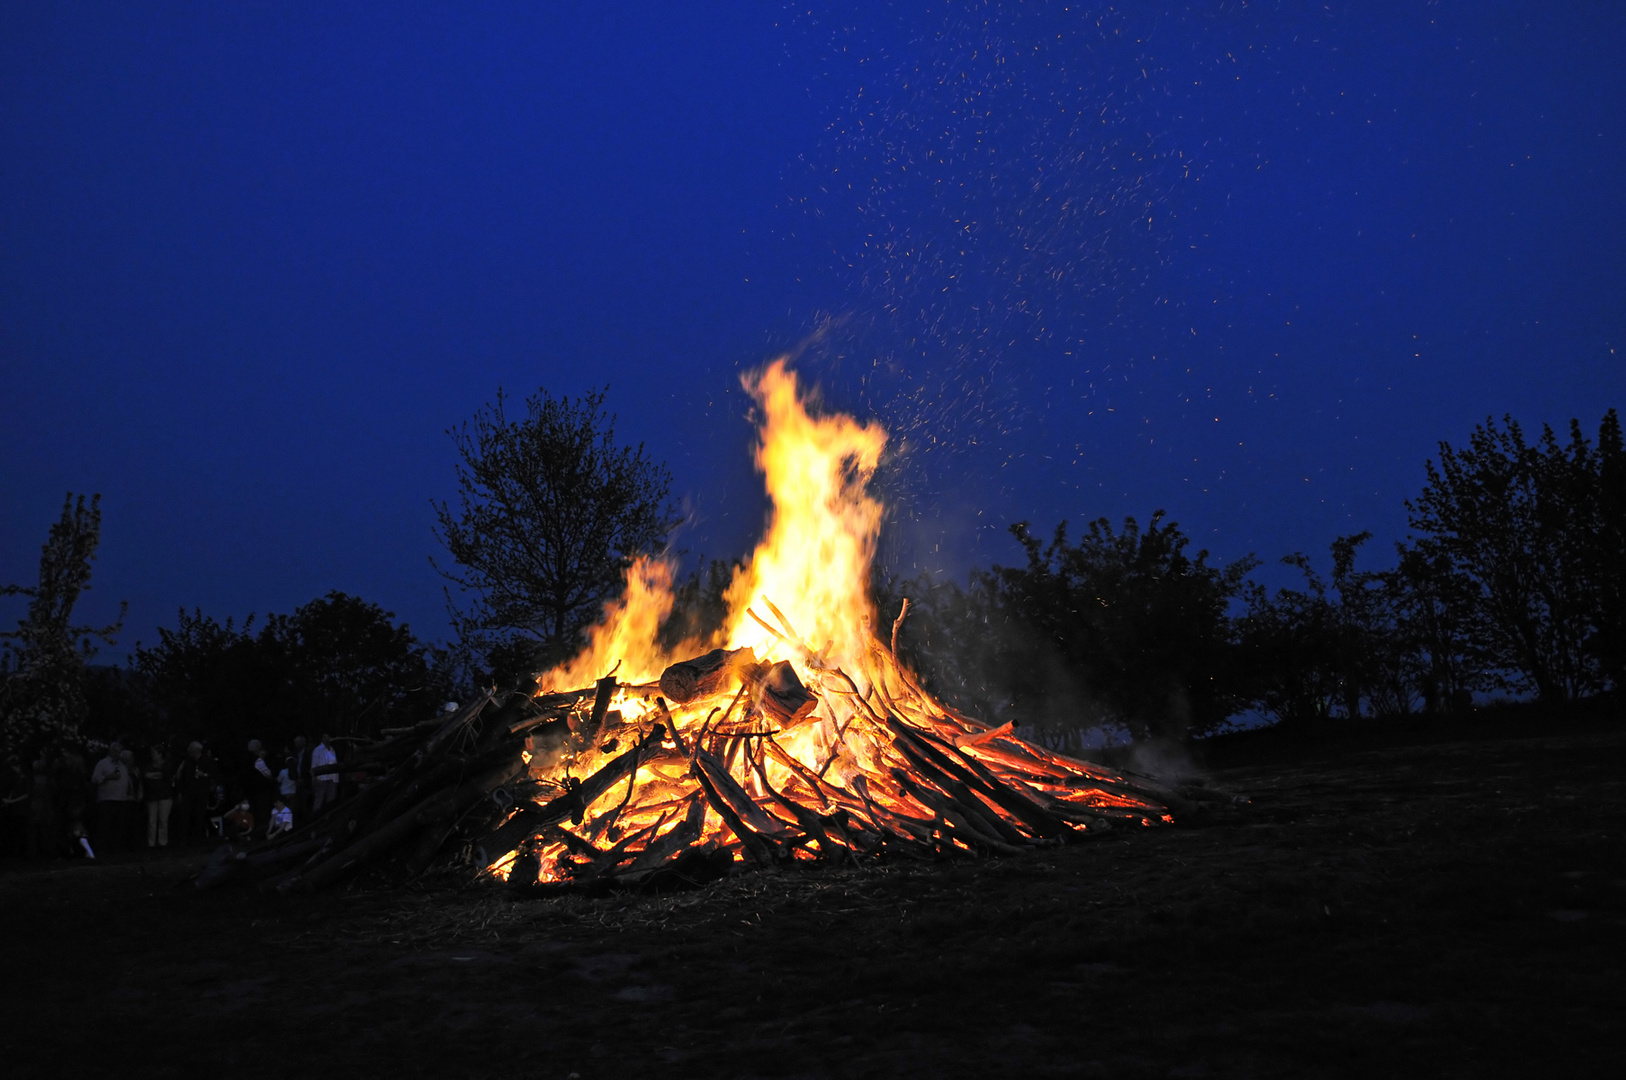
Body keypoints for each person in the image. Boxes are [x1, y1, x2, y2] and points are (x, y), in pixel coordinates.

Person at [89, 742, 129, 855]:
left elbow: (118, 775)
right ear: (111, 752)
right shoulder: (102, 764)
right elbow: (95, 779)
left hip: (120, 799)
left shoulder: (120, 765)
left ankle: (115, 848)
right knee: (105, 826)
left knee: (118, 826)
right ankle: (102, 849)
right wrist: (107, 777)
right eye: (116, 751)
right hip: (107, 800)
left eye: (120, 752)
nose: (118, 754)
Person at [173, 742, 212, 845]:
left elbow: (214, 775)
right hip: (188, 794)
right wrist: (180, 791)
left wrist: (204, 775)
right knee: (185, 816)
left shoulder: (207, 761)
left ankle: (197, 839)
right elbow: (179, 777)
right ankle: (184, 839)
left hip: (201, 794)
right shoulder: (186, 762)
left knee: (199, 816)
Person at [142, 747, 175, 849]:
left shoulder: (167, 766)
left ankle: (162, 842)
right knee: (152, 821)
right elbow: (144, 776)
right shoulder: (149, 766)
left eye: (154, 753)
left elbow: (165, 776)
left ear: (160, 754)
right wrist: (157, 775)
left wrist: (152, 776)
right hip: (152, 796)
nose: (152, 755)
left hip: (164, 796)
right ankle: (151, 843)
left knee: (163, 820)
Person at [310, 734, 339, 812]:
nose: (328, 738)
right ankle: (316, 819)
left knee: (331, 802)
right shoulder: (317, 750)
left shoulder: (332, 750)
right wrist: (314, 778)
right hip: (321, 779)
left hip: (332, 779)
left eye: (328, 736)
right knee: (318, 801)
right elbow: (313, 766)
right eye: (325, 736)